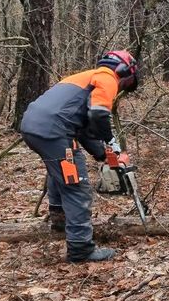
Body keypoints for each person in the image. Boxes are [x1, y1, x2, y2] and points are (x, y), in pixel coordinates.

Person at [20, 50, 139, 263]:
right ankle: (81, 249)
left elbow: (83, 127)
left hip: (33, 126)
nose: (122, 89)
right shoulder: (107, 77)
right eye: (126, 85)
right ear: (124, 72)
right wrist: (112, 143)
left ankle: (60, 218)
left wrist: (103, 153)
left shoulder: (84, 79)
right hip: (54, 130)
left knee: (59, 172)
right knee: (76, 186)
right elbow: (99, 115)